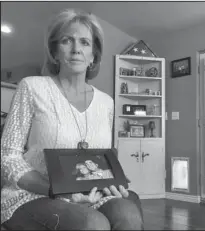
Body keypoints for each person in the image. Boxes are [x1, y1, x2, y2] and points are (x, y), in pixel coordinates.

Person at [1, 8, 143, 230]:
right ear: (55, 52)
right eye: (67, 41)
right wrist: (55, 189)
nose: (76, 49)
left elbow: (102, 159)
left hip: (90, 195)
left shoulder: (106, 103)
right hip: (34, 195)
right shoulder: (31, 87)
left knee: (128, 214)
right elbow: (8, 156)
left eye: (85, 43)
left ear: (93, 56)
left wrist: (111, 182)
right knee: (92, 224)